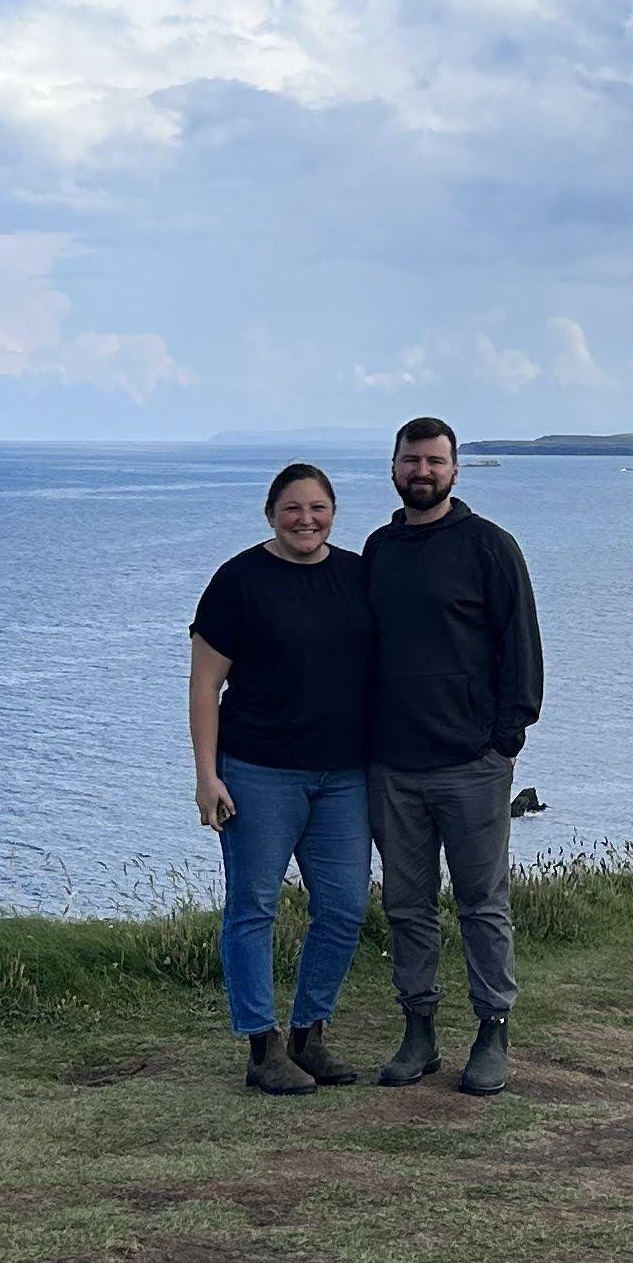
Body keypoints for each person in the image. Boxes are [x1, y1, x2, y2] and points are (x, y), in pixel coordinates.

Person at [362, 414, 544, 1096]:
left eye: (435, 461)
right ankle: (418, 1032)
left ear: (455, 469)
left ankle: (493, 1031)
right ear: (394, 465)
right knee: (406, 906)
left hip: (472, 764)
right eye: (412, 460)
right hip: (392, 766)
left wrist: (505, 741)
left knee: (481, 904)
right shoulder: (378, 550)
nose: (423, 472)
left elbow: (521, 650)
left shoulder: (490, 548)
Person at [187, 460, 378, 1096]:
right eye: (292, 508)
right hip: (257, 773)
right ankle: (261, 1047)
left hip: (344, 776)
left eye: (318, 507)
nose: (306, 519)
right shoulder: (238, 581)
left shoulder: (357, 576)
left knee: (346, 906)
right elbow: (205, 685)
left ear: (333, 513)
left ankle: (310, 1035)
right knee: (253, 908)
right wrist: (206, 775)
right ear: (271, 513)